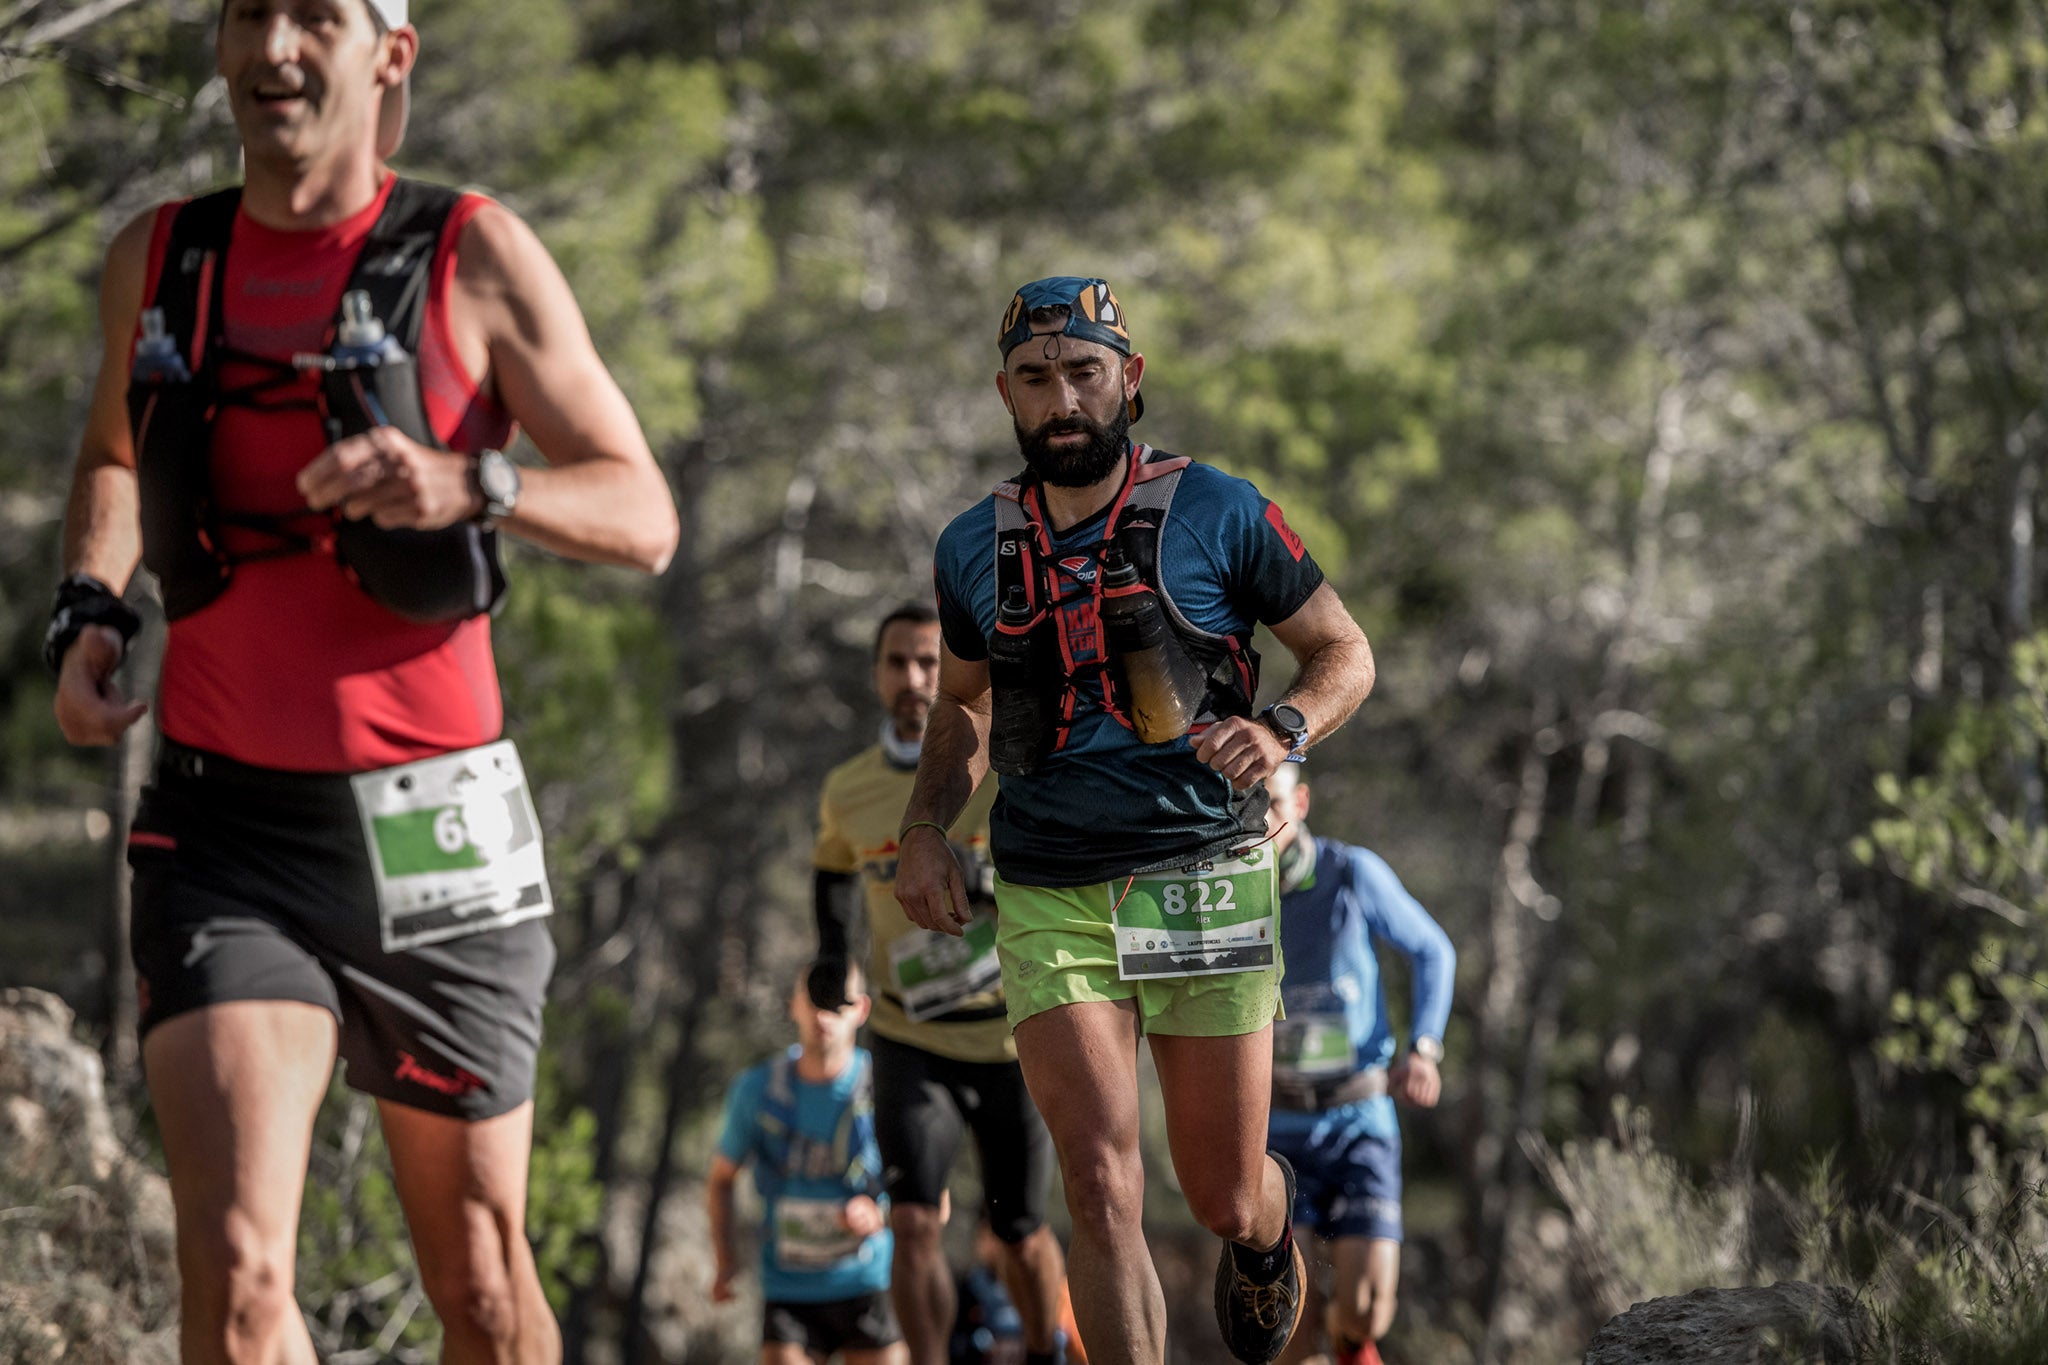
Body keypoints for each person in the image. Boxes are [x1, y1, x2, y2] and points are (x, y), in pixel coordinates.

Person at [47, 3, 679, 1361]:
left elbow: (644, 511)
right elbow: (112, 451)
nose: (272, 46)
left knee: (488, 1293)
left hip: (438, 825)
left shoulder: (473, 254)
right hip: (226, 829)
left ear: (388, 52)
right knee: (235, 1275)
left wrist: (470, 480)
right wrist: (89, 608)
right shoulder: (158, 262)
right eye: (245, 14)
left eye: (314, 16)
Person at [896, 277, 1377, 1365]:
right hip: (1045, 883)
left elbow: (1344, 652)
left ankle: (1265, 1224)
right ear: (1004, 396)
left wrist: (1283, 729)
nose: (1061, 399)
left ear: (1129, 378)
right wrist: (926, 825)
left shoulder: (1219, 509)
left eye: (1082, 372)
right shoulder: (971, 544)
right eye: (1034, 380)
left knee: (1214, 1191)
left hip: (1197, 866)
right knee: (1100, 1184)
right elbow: (965, 705)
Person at [813, 603, 1072, 1365]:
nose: (914, 678)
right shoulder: (850, 789)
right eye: (897, 662)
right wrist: (831, 949)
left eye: (931, 662)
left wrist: (997, 874)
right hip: (909, 1037)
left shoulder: (1004, 771)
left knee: (1021, 1231)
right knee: (915, 1223)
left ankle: (1045, 1349)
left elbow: (1072, 868)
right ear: (875, 674)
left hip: (1009, 1035)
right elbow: (832, 865)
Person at [1262, 764, 1454, 1365]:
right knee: (1287, 1326)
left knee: (1367, 1308)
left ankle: (1351, 1349)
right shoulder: (1225, 894)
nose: (1259, 818)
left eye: (1269, 801)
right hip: (1276, 1133)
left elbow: (1433, 950)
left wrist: (1424, 1046)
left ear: (1300, 800)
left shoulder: (1350, 873)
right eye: (1245, 804)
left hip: (1358, 1120)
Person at [708, 959, 907, 1365]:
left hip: (869, 1282)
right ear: (793, 1005)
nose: (823, 1016)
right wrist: (726, 1260)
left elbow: (930, 1196)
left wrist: (879, 1212)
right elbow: (720, 1179)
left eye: (837, 1004)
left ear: (861, 1009)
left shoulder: (886, 1088)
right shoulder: (757, 1090)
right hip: (788, 1291)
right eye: (814, 1001)